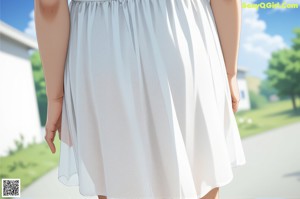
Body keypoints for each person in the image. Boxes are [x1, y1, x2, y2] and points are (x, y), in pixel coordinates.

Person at [34, 0, 246, 198]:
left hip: (98, 45)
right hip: (180, 31)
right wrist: (230, 72)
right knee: (200, 174)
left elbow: (49, 5)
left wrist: (56, 97)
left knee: (117, 180)